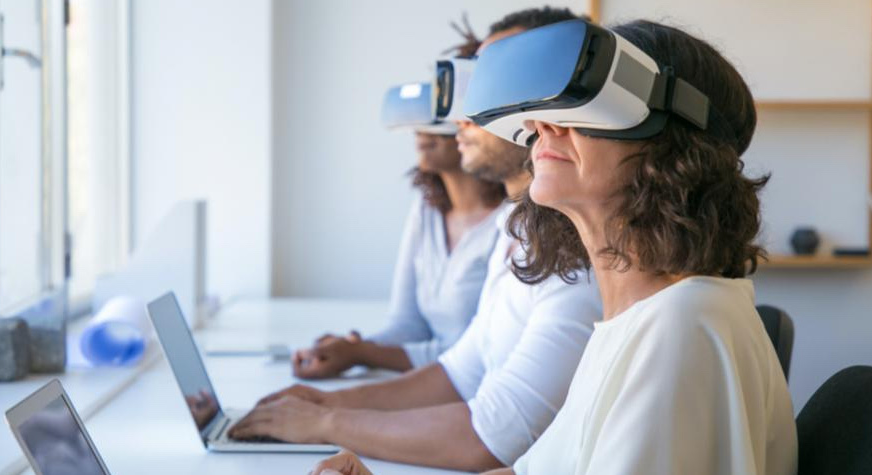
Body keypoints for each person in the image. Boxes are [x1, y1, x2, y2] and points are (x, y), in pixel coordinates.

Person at [310, 18, 798, 475]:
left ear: (673, 142)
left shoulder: (680, 330)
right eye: (542, 114)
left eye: (583, 106)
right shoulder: (632, 322)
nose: (542, 126)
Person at [228, 7, 602, 472]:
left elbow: (495, 435)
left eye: (494, 85)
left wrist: (327, 424)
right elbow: (459, 373)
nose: (462, 112)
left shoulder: (582, 257)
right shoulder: (519, 228)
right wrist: (324, 406)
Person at [291, 129, 507, 378]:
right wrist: (348, 349)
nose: (422, 130)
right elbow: (409, 325)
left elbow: (477, 356)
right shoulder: (427, 209)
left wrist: (363, 353)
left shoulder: (511, 222)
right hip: (434, 381)